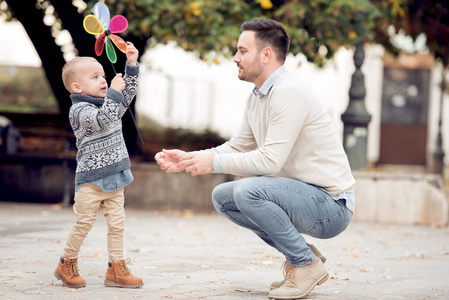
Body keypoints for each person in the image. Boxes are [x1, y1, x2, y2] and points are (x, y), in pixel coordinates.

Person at [155, 19, 355, 299]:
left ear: (266, 55)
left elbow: (269, 161)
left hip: (331, 205)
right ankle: (303, 257)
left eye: (242, 51)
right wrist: (191, 158)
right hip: (301, 196)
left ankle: (305, 264)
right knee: (224, 196)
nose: (235, 58)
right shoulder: (258, 95)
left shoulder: (289, 91)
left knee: (248, 190)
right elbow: (239, 146)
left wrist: (212, 164)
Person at [54, 42, 143, 289]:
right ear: (77, 87)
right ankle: (66, 261)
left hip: (116, 176)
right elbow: (103, 120)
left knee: (117, 224)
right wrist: (114, 93)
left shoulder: (109, 103)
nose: (104, 80)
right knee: (83, 223)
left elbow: (125, 97)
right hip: (91, 181)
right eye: (96, 77)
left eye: (103, 76)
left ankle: (116, 269)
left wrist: (132, 65)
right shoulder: (79, 110)